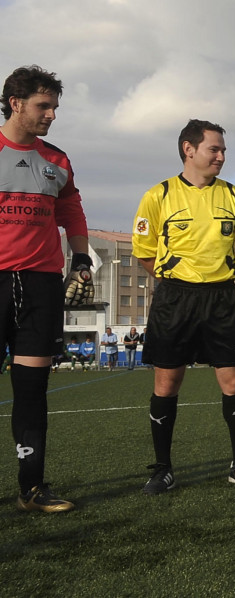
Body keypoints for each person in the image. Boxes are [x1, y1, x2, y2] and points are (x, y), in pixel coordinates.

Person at [132, 119, 235, 495]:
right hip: (174, 299)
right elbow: (145, 255)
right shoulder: (157, 196)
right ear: (189, 150)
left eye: (223, 150)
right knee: (167, 382)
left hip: (222, 298)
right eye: (214, 149)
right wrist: (179, 277)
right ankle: (163, 469)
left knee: (233, 382)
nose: (221, 156)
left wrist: (219, 273)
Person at [1, 65, 93, 512]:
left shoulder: (57, 160)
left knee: (32, 389)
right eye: (44, 105)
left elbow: (72, 213)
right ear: (15, 103)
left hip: (40, 287)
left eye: (55, 106)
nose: (52, 114)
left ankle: (31, 489)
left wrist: (80, 259)